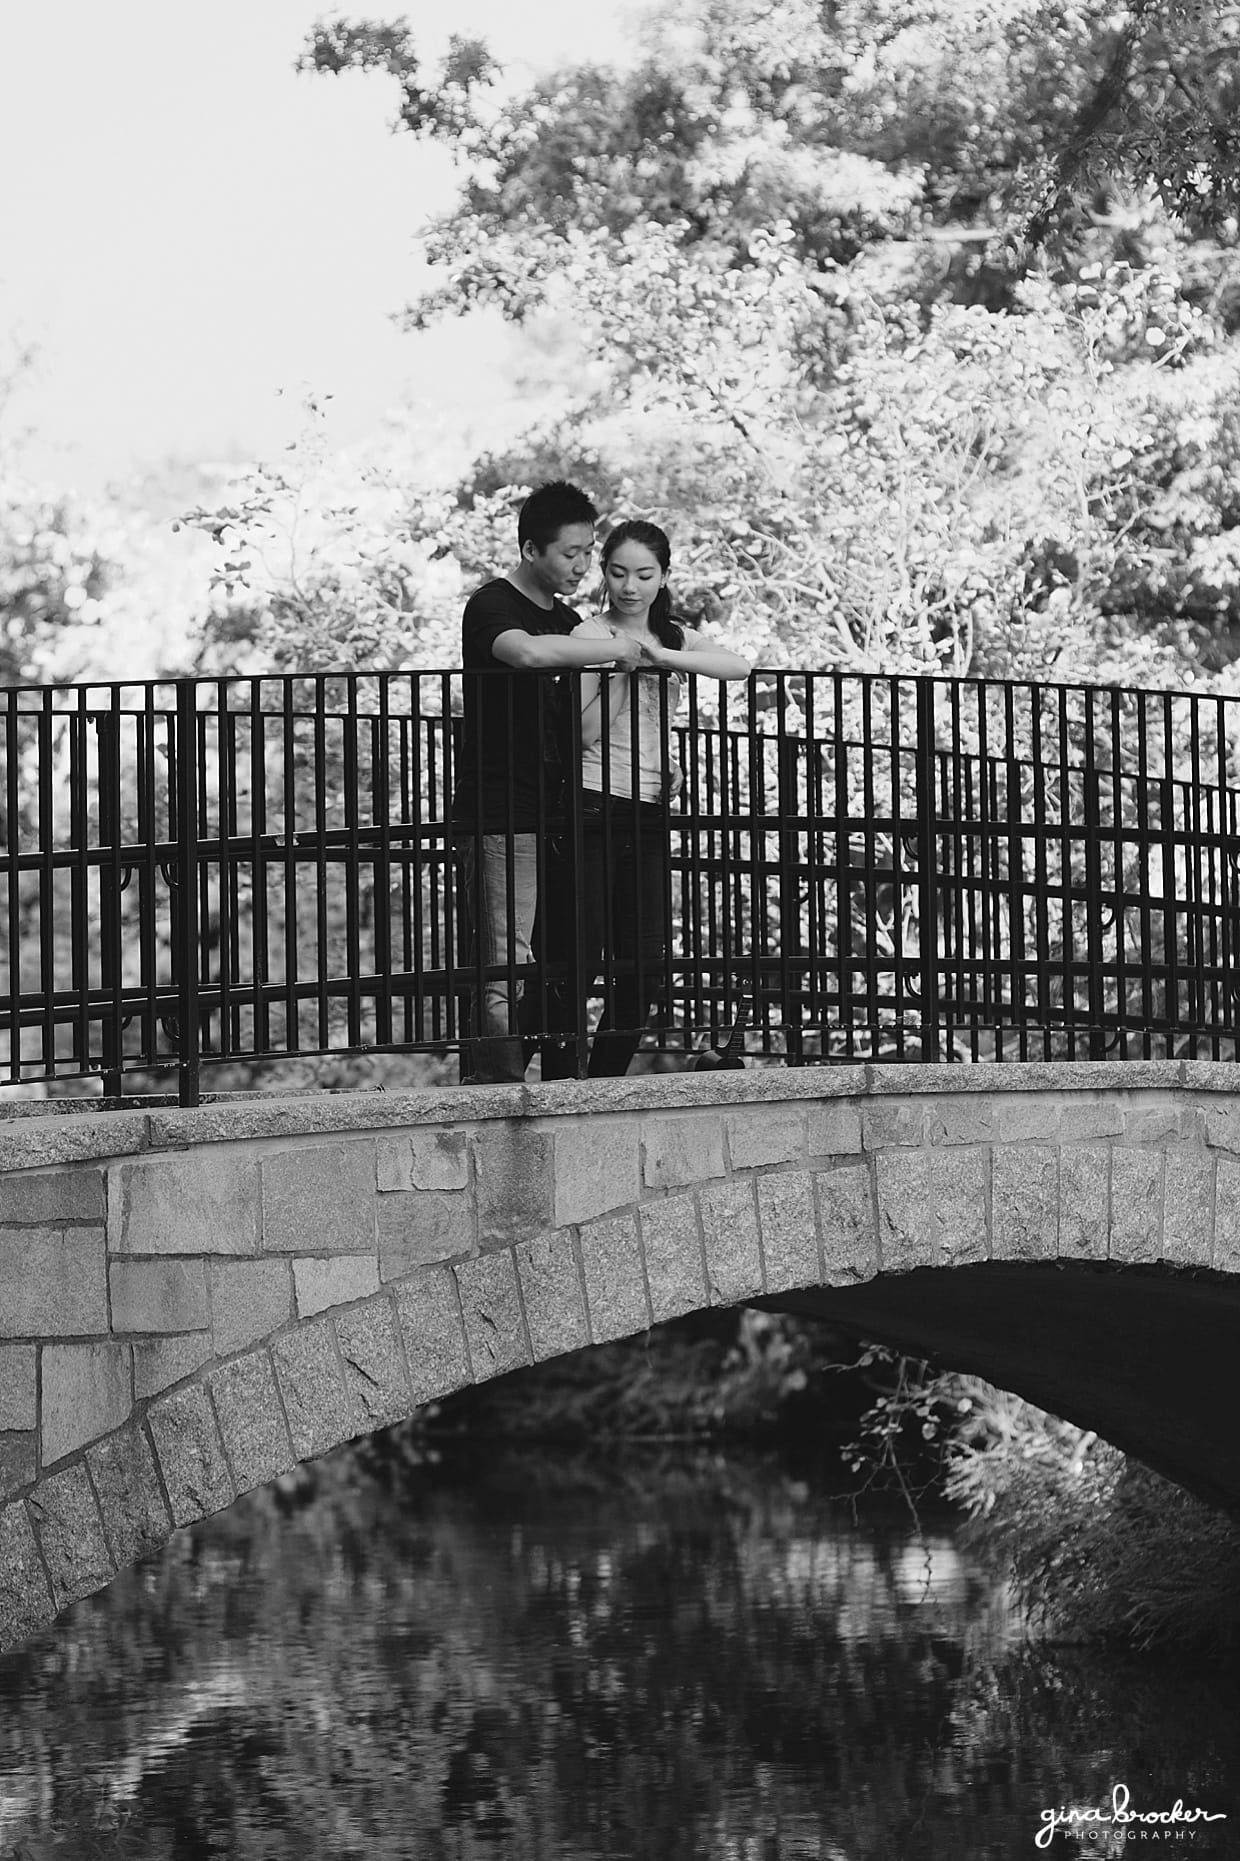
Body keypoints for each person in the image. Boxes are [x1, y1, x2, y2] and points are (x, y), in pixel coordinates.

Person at [541, 519, 751, 1078]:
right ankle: (564, 1080)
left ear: (663, 577)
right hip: (591, 803)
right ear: (604, 574)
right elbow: (580, 736)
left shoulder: (676, 638)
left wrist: (662, 659)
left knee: (648, 964)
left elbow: (738, 666)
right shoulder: (588, 637)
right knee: (578, 958)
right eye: (617, 572)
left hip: (652, 807)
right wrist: (621, 669)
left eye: (643, 574)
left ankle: (606, 1081)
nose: (629, 586)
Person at [453, 481, 643, 1084]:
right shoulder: (493, 607)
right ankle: (497, 1089)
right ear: (532, 548)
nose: (583, 565)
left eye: (590, 552)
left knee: (563, 957)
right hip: (502, 811)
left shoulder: (569, 623)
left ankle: (555, 1075)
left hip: (563, 814)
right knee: (506, 958)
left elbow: (579, 728)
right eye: (571, 553)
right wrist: (611, 647)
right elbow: (527, 655)